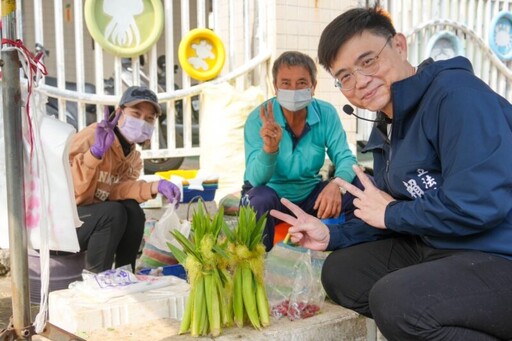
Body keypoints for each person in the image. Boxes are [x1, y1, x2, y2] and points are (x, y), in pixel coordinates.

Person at [270, 5, 512, 340]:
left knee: (398, 301)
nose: (361, 82)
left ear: (399, 45)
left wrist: (393, 213)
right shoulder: (388, 123)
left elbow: (478, 203)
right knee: (342, 273)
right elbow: (384, 210)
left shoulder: (457, 96)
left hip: (498, 253)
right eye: (345, 77)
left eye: (367, 62)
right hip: (441, 246)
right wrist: (332, 236)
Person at [241, 51, 359, 251]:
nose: (293, 89)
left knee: (361, 189)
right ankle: (256, 267)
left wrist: (337, 184)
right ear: (275, 87)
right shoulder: (259, 119)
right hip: (272, 198)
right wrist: (270, 149)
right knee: (260, 199)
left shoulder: (326, 113)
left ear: (313, 86)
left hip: (310, 195)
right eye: (286, 83)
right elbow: (255, 179)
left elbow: (345, 157)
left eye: (301, 82)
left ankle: (350, 254)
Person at [69, 86, 181, 273]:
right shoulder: (93, 136)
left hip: (90, 218)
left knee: (133, 210)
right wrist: (94, 154)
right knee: (113, 212)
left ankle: (125, 273)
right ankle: (96, 278)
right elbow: (70, 188)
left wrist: (155, 186)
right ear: (119, 113)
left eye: (149, 119)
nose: (141, 122)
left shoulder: (133, 158)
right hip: (63, 219)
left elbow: (116, 191)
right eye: (135, 114)